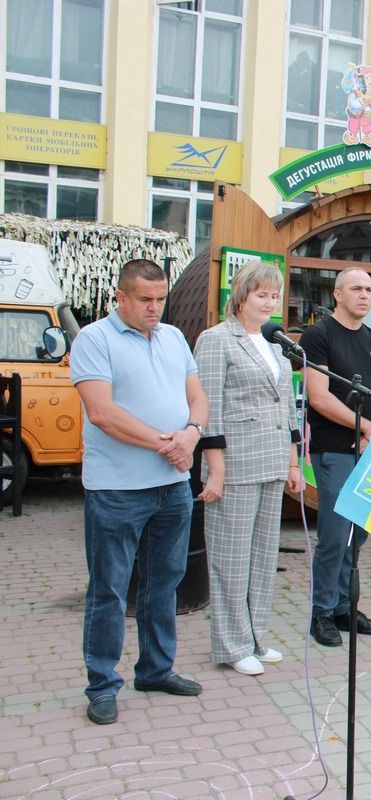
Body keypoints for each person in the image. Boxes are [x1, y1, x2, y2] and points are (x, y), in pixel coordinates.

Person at [71, 259, 210, 725]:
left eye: (160, 299)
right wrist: (166, 445)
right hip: (117, 489)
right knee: (109, 589)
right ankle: (102, 684)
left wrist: (190, 434)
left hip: (171, 488)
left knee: (163, 584)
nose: (155, 308)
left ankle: (155, 669)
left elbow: (198, 397)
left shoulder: (172, 337)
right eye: (145, 300)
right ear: (120, 297)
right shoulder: (94, 339)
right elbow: (102, 413)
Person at [194, 261, 303, 676]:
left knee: (261, 557)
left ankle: (256, 635)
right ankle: (232, 644)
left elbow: (290, 408)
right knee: (230, 558)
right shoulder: (216, 340)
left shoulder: (276, 345)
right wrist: (216, 471)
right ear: (240, 296)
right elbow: (210, 411)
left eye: (275, 296)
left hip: (273, 461)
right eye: (262, 295)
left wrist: (293, 461)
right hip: (235, 465)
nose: (270, 303)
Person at [299, 267, 371, 646]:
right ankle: (321, 612)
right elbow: (319, 396)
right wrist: (365, 428)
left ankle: (343, 607)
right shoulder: (318, 335)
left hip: (369, 448)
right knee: (336, 535)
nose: (365, 295)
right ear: (337, 294)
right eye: (356, 288)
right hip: (335, 449)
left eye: (370, 290)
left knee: (360, 533)